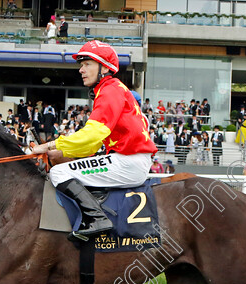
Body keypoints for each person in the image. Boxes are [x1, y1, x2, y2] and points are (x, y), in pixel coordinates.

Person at [31, 40, 156, 240]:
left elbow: (91, 135)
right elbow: (93, 144)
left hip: (128, 162)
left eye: (87, 64)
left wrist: (48, 145)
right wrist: (61, 152)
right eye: (81, 65)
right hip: (128, 160)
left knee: (59, 173)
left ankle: (97, 218)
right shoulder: (111, 89)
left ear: (105, 67)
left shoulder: (110, 90)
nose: (81, 70)